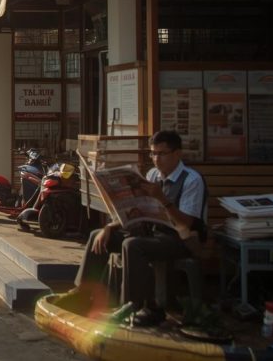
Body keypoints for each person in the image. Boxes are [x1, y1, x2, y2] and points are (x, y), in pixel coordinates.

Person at [72, 130, 207, 326]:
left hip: (181, 239)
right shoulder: (153, 174)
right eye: (153, 154)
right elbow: (139, 210)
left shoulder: (191, 180)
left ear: (177, 154)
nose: (156, 159)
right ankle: (84, 293)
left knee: (133, 245)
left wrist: (163, 199)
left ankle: (140, 305)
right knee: (98, 236)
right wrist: (110, 226)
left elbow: (187, 223)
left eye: (162, 154)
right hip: (152, 232)